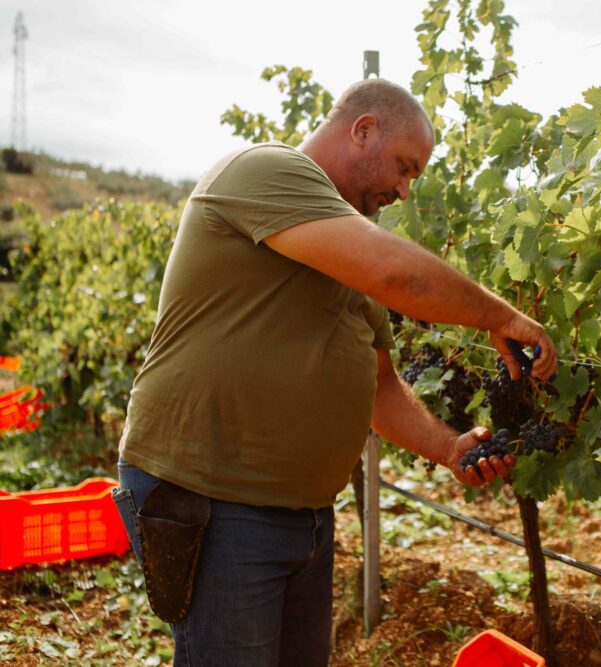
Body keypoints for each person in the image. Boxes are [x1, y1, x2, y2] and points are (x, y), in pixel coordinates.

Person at [112, 78, 557, 667]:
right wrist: (500, 316)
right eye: (404, 167)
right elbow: (393, 274)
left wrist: (449, 448)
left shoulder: (343, 246)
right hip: (214, 500)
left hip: (303, 517)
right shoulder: (265, 171)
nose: (404, 190)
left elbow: (379, 386)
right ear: (363, 130)